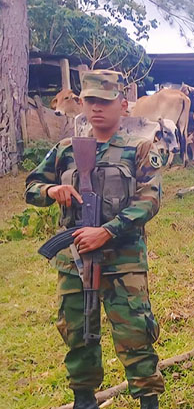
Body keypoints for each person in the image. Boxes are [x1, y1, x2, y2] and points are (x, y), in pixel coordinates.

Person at [25, 70, 165, 409]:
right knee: (78, 333)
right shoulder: (65, 149)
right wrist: (51, 189)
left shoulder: (141, 148)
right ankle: (83, 400)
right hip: (75, 260)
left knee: (136, 334)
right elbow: (31, 187)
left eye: (105, 101)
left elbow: (150, 199)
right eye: (90, 101)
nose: (96, 108)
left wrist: (107, 230)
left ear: (123, 103)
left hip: (123, 260)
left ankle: (148, 400)